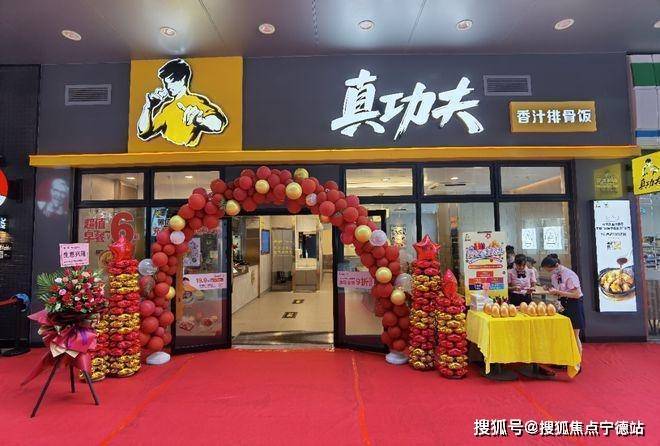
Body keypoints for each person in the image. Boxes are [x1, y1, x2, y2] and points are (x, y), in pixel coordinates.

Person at [137, 58, 228, 147]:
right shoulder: (166, 108)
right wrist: (148, 107)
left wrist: (201, 120)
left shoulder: (195, 101)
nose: (168, 87)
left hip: (189, 153)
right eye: (165, 83)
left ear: (183, 79)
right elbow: (144, 132)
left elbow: (218, 124)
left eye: (172, 81)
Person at [541, 255, 585, 373]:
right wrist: (550, 289)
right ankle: (565, 360)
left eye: (550, 270)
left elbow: (576, 294)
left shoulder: (569, 275)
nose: (550, 272)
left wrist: (558, 292)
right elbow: (559, 291)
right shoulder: (554, 276)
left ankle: (577, 364)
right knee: (563, 334)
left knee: (574, 334)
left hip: (574, 304)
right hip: (562, 303)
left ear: (556, 265)